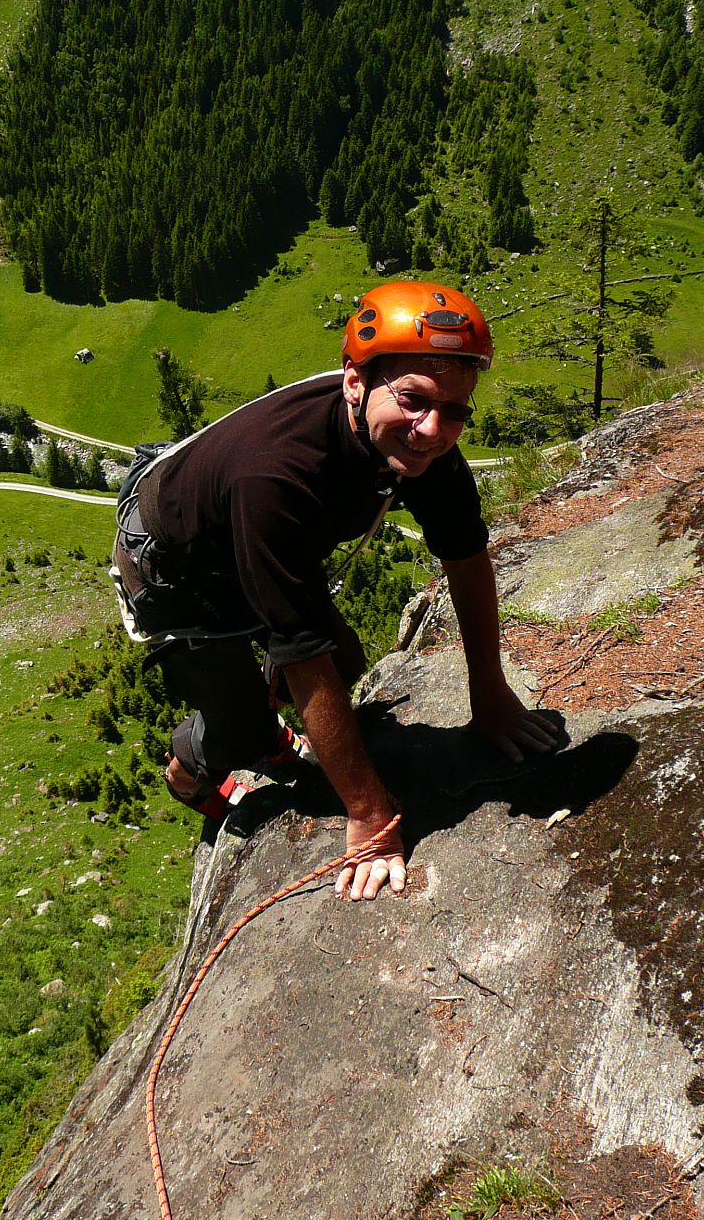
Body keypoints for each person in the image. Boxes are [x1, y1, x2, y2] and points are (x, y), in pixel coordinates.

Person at [111, 280, 561, 902]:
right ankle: (192, 763)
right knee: (245, 731)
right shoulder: (275, 474)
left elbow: (465, 556)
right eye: (413, 399)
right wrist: (371, 818)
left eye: (456, 410)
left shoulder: (416, 447)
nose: (433, 429)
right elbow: (301, 648)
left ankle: (275, 725)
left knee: (342, 665)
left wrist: (491, 696)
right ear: (355, 381)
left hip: (256, 546)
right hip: (182, 575)